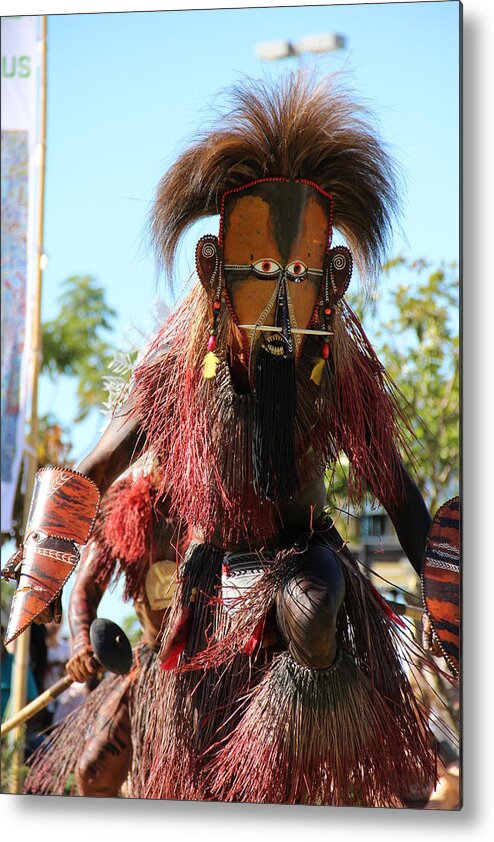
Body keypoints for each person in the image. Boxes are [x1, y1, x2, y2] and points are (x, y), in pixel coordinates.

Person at [5, 73, 448, 806]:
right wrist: (42, 568)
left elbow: (400, 495)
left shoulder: (337, 376)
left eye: (298, 275)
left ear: (330, 279)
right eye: (262, 272)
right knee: (141, 783)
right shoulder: (174, 377)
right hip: (208, 589)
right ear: (215, 272)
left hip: (306, 560)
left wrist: (446, 603)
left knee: (310, 608)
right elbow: (94, 466)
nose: (279, 301)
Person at [24, 462, 188, 797]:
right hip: (152, 660)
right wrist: (82, 644)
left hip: (214, 661)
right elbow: (85, 589)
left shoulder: (216, 495)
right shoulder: (127, 502)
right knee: (94, 773)